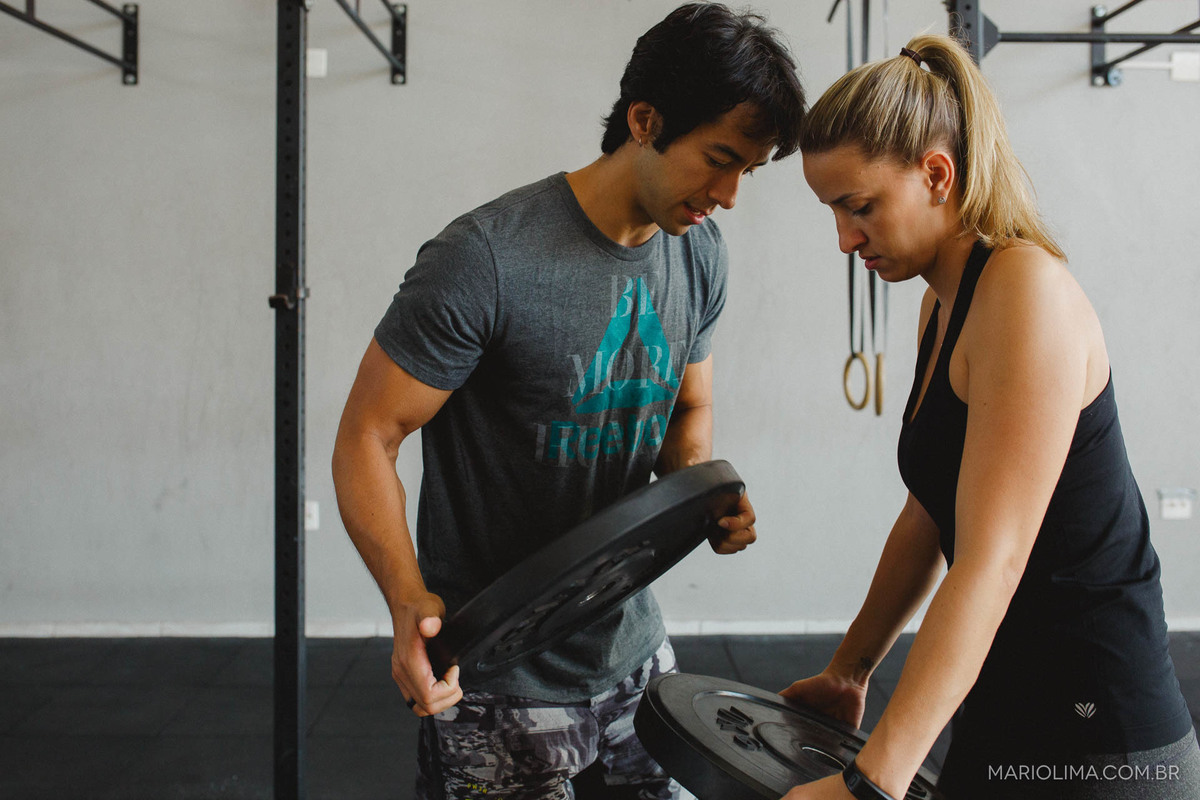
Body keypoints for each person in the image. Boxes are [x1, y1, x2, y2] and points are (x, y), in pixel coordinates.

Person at [331, 4, 806, 798]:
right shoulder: (485, 258)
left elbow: (688, 412)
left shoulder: (699, 256)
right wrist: (407, 599)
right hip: (496, 676)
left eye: (747, 172)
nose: (728, 195)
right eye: (718, 159)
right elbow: (367, 435)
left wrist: (703, 492)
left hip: (638, 656)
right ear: (644, 120)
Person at [783, 33, 1200, 800]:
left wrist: (872, 784)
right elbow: (930, 512)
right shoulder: (943, 306)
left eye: (859, 207)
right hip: (1005, 702)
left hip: (1099, 736)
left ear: (936, 174)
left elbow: (991, 559)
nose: (844, 239)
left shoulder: (1024, 293)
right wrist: (851, 668)